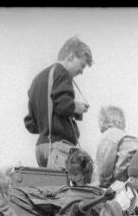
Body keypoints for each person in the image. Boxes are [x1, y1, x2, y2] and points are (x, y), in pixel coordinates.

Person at [25, 36, 93, 169]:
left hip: (41, 147)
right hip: (59, 148)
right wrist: (76, 108)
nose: (81, 71)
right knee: (64, 189)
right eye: (82, 65)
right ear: (71, 57)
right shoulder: (62, 73)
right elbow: (63, 106)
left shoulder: (37, 79)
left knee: (49, 188)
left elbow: (30, 123)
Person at [93, 105, 138, 189]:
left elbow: (105, 167)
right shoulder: (122, 135)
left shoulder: (109, 136)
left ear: (104, 120)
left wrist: (101, 184)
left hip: (131, 177)